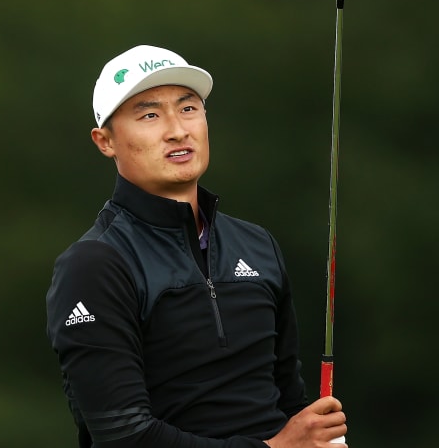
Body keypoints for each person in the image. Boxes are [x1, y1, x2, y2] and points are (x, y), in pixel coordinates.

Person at [46, 44, 348, 447]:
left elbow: (289, 403)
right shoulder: (95, 264)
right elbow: (124, 436)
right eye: (150, 115)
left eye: (188, 108)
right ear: (105, 141)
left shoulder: (256, 244)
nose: (177, 129)